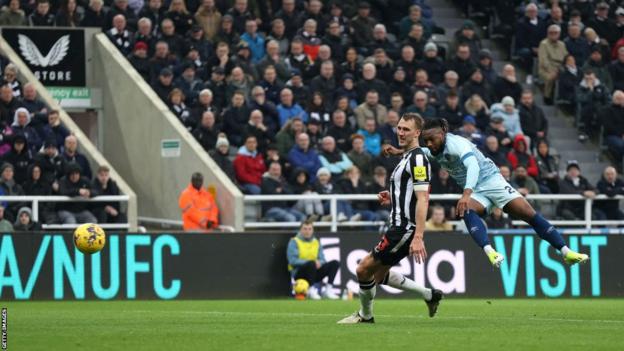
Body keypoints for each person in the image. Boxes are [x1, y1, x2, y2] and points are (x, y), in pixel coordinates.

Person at [413, 118, 589, 268]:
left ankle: (565, 251)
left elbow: (473, 166)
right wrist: (400, 151)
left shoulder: (456, 144)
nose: (429, 143)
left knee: (529, 214)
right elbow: (421, 152)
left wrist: (466, 194)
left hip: (492, 181)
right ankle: (491, 252)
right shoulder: (433, 150)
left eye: (431, 139)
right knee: (466, 211)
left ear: (442, 134)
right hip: (477, 191)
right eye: (425, 140)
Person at [337, 113, 442, 324]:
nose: (401, 132)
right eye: (400, 128)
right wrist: (392, 194)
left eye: (406, 129)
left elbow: (423, 199)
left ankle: (365, 316)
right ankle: (430, 295)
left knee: (363, 269)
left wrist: (418, 236)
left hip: (404, 229)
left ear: (417, 133)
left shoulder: (418, 159)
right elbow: (409, 190)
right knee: (377, 275)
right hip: (398, 225)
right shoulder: (407, 156)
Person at [287, 220, 340, 300]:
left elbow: (322, 259)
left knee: (335, 263)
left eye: (309, 229)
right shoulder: (294, 241)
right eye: (305, 229)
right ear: (300, 230)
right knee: (311, 263)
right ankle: (310, 290)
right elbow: (293, 261)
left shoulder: (316, 242)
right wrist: (311, 262)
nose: (307, 231)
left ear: (313, 230)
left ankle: (328, 290)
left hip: (314, 272)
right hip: (299, 274)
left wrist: (319, 263)